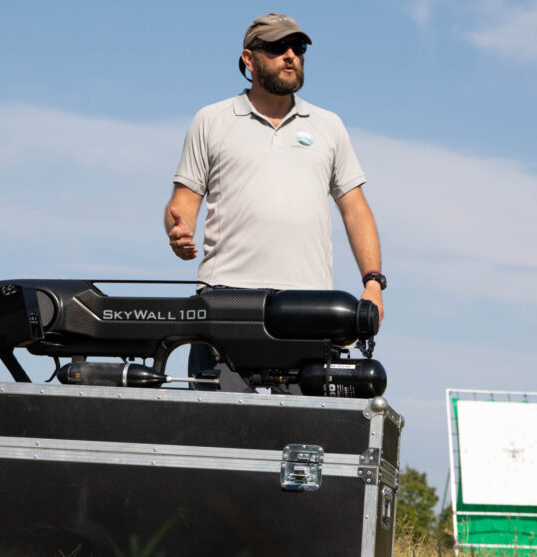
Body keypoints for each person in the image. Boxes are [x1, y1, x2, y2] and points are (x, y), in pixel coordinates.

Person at [163, 12, 386, 392]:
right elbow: (183, 202)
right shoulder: (211, 120)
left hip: (308, 304)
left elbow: (355, 207)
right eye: (277, 47)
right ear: (249, 60)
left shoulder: (328, 125)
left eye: (297, 48)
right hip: (225, 298)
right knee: (217, 437)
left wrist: (373, 283)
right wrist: (177, 231)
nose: (290, 55)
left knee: (304, 440)